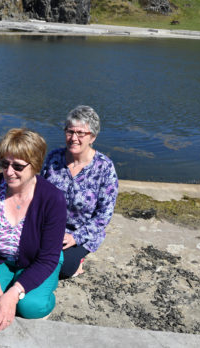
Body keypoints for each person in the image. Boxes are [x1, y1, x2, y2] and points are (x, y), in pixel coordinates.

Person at [0, 128, 66, 333]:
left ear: (36, 165)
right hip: (0, 258)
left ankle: (41, 292)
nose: (9, 172)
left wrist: (12, 295)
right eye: (4, 163)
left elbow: (48, 257)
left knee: (31, 307)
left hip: (37, 260)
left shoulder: (53, 199)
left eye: (18, 166)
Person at [41, 105, 118, 279]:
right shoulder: (54, 158)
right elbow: (39, 195)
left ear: (93, 137)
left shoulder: (104, 168)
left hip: (81, 233)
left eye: (81, 133)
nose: (73, 138)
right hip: (50, 227)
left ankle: (78, 260)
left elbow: (104, 215)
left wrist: (75, 237)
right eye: (70, 131)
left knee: (63, 268)